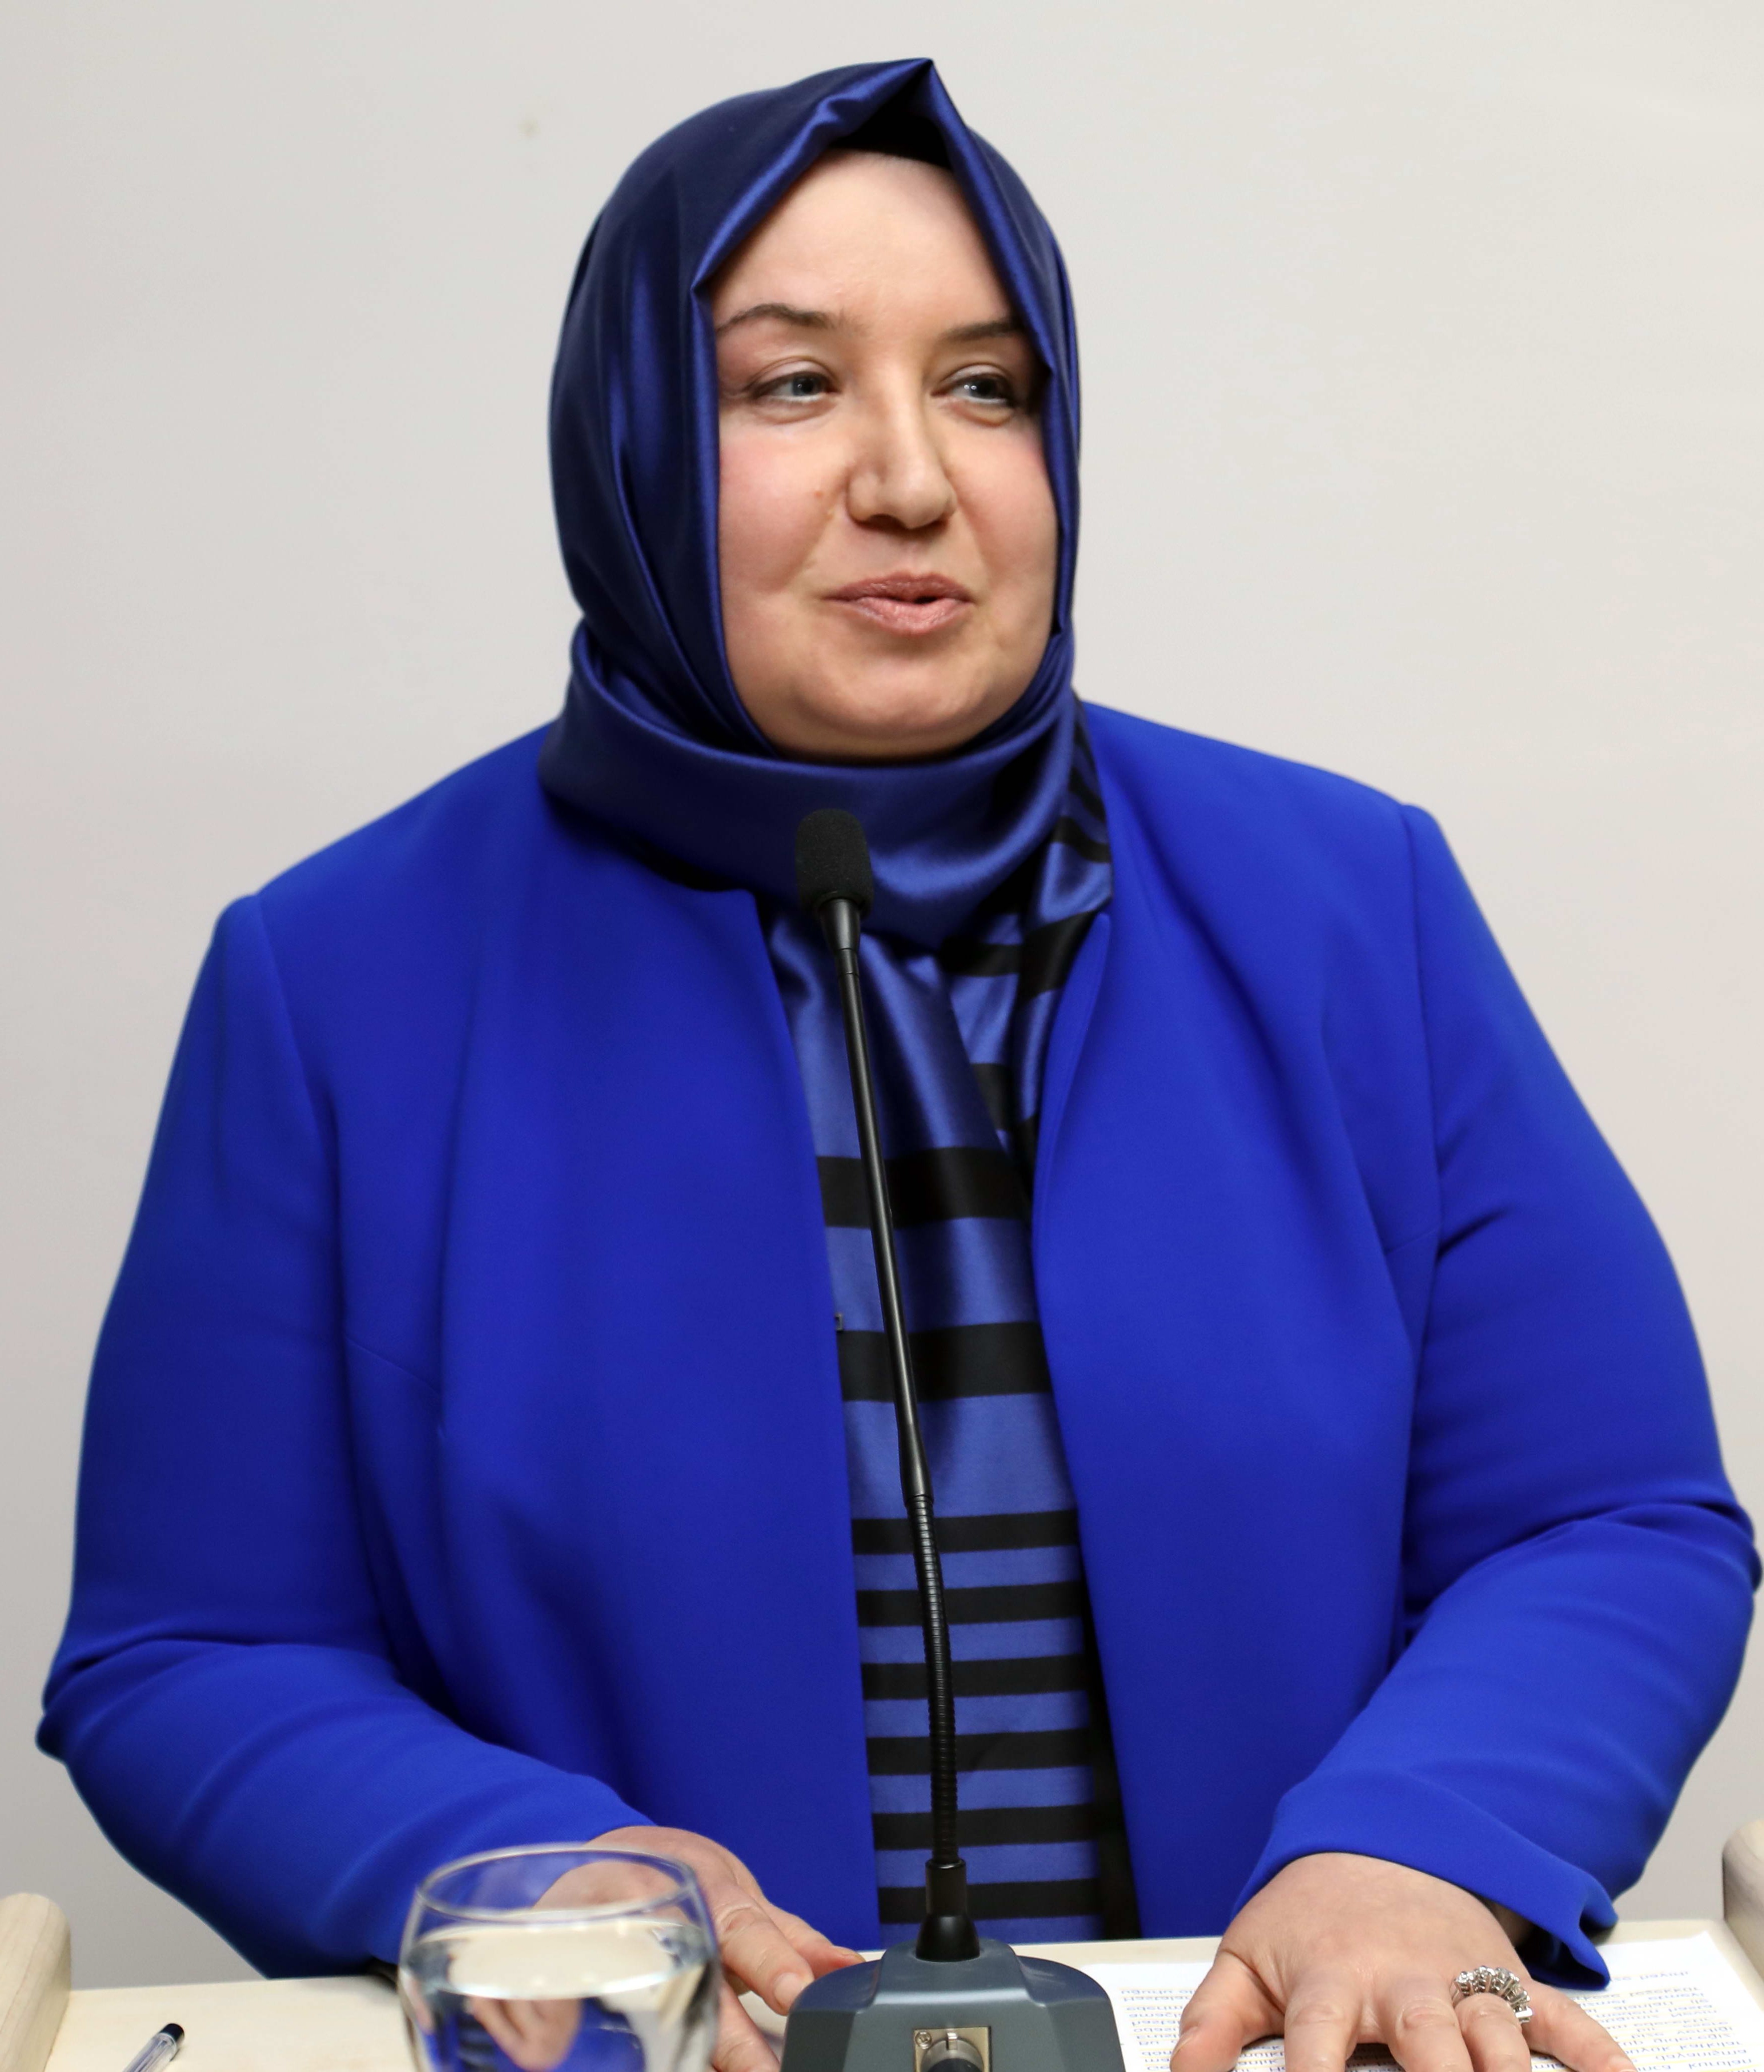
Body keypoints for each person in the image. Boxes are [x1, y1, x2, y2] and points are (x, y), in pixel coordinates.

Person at [41, 57, 1755, 2072]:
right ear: (628, 442)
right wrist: (524, 1869)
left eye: (986, 387)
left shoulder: (1344, 906)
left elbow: (1600, 1518)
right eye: (790, 386)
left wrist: (1421, 1846)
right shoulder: (337, 978)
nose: (913, 479)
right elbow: (196, 1647)